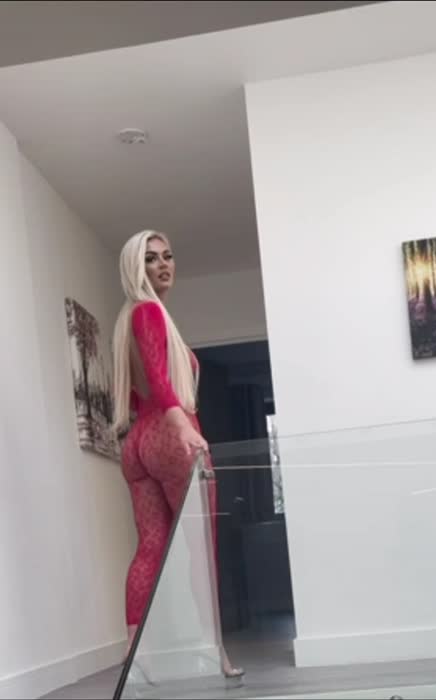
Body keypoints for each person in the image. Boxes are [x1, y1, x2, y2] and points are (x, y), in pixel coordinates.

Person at [112, 230, 243, 679]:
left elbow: (137, 393)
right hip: (171, 438)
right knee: (201, 552)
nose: (164, 264)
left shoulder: (126, 322)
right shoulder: (148, 311)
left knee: (150, 546)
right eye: (151, 258)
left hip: (138, 443)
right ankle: (216, 651)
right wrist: (183, 425)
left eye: (168, 256)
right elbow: (159, 379)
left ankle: (135, 655)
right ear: (135, 266)